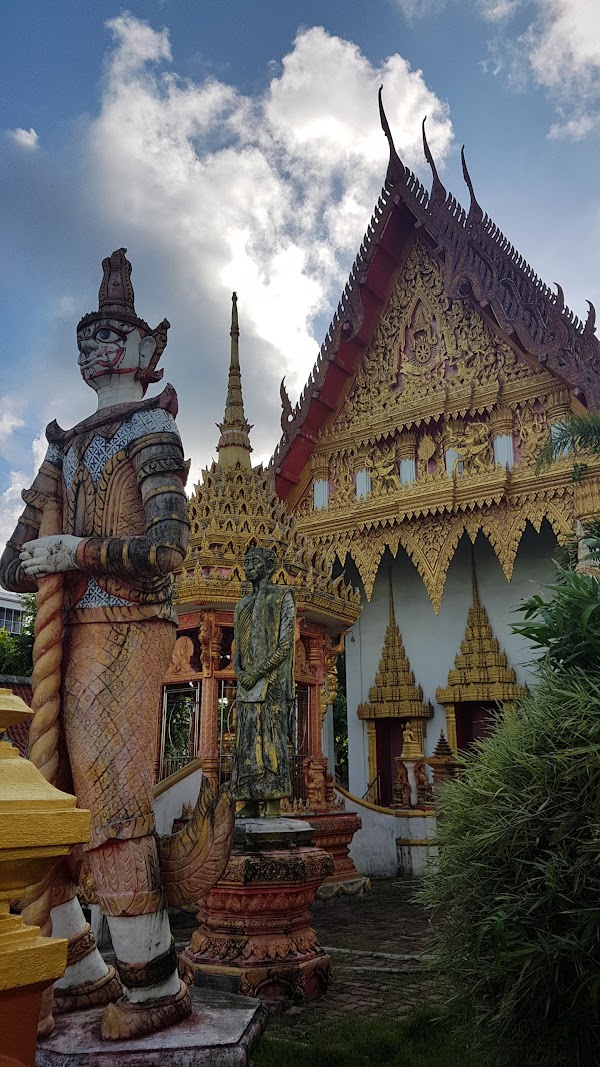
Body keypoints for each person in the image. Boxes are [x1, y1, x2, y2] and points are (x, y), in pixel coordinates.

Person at [0, 249, 192, 1040]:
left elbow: (168, 550)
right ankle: (79, 965)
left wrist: (76, 552)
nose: (94, 346)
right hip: (70, 632)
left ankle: (156, 980)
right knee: (53, 795)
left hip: (129, 627)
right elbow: (13, 563)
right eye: (88, 334)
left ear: (147, 349)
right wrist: (41, 545)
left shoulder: (153, 430)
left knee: (111, 802)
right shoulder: (64, 445)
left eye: (111, 333)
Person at [231, 546, 295, 818]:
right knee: (246, 742)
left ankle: (272, 802)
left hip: (271, 683)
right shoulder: (241, 605)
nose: (248, 567)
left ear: (269, 566)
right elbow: (237, 650)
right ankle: (248, 799)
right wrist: (240, 673)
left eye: (254, 562)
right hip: (247, 686)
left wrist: (257, 673)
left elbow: (285, 646)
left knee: (271, 740)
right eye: (246, 562)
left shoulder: (282, 597)